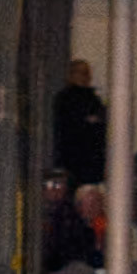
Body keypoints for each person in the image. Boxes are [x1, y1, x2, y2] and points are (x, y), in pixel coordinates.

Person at [52, 60, 106, 190]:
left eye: (87, 73)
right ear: (71, 75)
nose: (85, 77)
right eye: (80, 73)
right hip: (72, 159)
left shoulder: (93, 99)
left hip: (94, 161)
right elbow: (71, 126)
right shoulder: (65, 98)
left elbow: (101, 123)